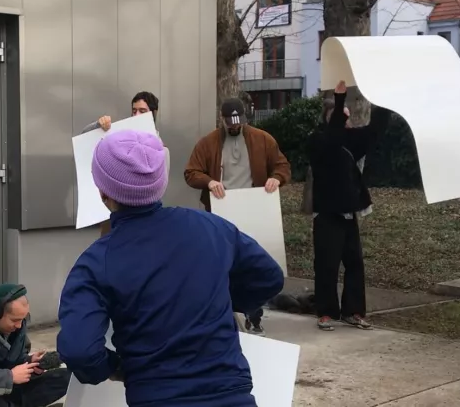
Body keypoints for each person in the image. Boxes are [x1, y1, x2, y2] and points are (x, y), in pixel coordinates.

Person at [58, 130, 284, 406]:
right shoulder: (211, 228)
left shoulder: (96, 262)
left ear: (103, 192)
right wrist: (220, 301)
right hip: (232, 394)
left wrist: (117, 367)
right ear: (161, 182)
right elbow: (270, 278)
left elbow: (80, 350)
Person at [183, 97, 291, 335]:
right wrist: (209, 182)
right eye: (229, 123)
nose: (234, 127)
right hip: (222, 209)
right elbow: (191, 172)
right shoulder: (209, 143)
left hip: (253, 207)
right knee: (221, 264)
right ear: (222, 120)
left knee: (252, 264)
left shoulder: (263, 139)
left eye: (238, 122)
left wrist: (276, 178)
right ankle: (223, 314)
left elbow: (282, 166)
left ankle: (254, 315)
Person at [309, 81, 391, 332]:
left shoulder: (350, 141)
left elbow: (375, 131)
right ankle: (326, 312)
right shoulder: (318, 141)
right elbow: (332, 139)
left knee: (355, 264)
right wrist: (339, 100)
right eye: (340, 116)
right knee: (327, 265)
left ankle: (353, 311)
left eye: (346, 116)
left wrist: (383, 99)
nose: (346, 120)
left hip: (348, 213)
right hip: (327, 214)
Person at [81, 91, 168, 237]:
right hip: (116, 210)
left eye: (142, 111)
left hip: (143, 215)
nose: (137, 115)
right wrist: (98, 126)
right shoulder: (122, 136)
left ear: (154, 113)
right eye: (134, 111)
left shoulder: (159, 148)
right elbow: (85, 137)